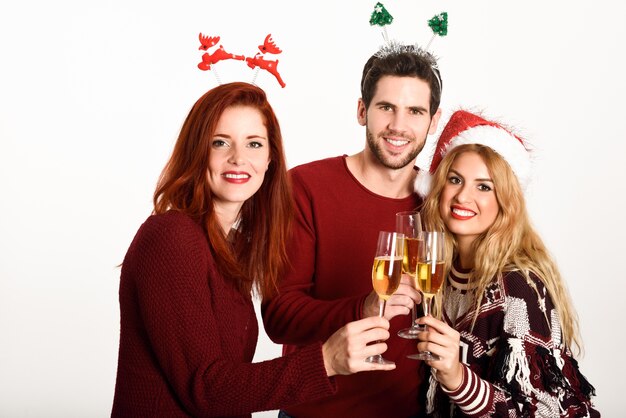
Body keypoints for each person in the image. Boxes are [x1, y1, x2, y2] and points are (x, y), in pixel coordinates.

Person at [111, 82, 398, 418]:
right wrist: (325, 361)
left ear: (269, 158)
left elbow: (229, 387)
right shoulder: (170, 237)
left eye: (254, 144)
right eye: (220, 143)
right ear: (196, 150)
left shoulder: (228, 246)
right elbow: (206, 388)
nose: (238, 158)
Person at [262, 44, 443, 417]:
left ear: (433, 121)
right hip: (312, 411)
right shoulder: (306, 187)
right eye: (385, 107)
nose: (398, 125)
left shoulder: (442, 201)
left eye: (414, 111)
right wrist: (363, 307)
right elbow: (278, 315)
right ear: (362, 111)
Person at [414, 110, 599, 417]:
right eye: (455, 179)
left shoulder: (517, 284)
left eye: (484, 186)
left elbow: (546, 411)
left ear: (505, 201)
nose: (463, 196)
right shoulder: (437, 273)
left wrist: (459, 380)